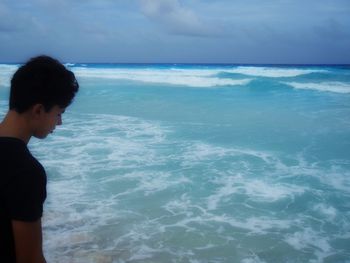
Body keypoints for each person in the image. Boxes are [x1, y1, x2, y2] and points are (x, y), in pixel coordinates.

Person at [0, 55, 79, 263]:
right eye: (59, 113)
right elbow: (30, 259)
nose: (59, 123)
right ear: (38, 110)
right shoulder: (25, 172)